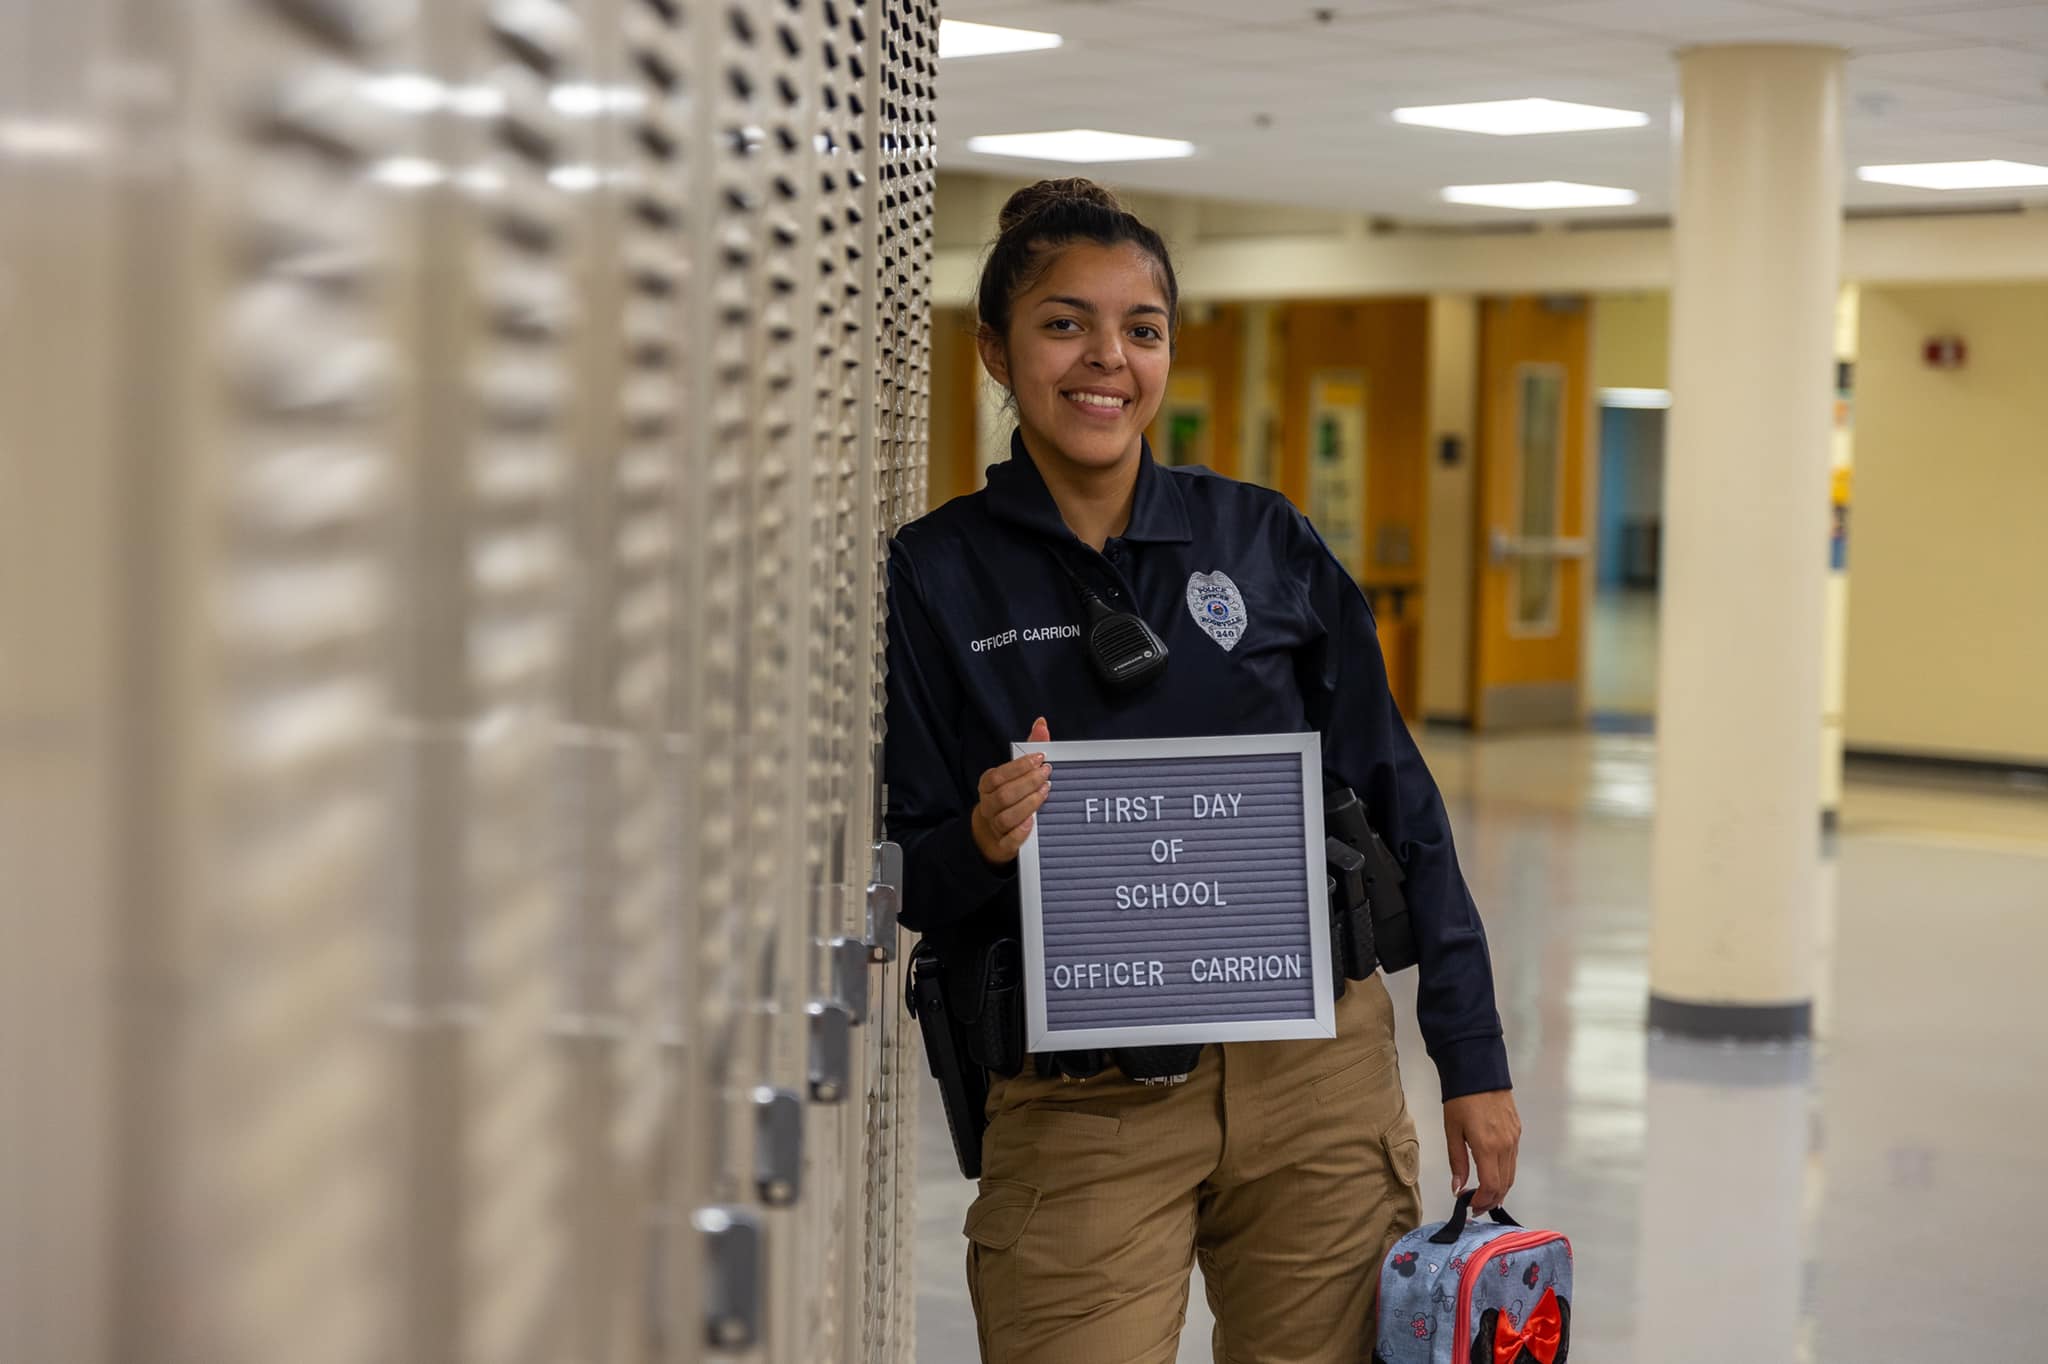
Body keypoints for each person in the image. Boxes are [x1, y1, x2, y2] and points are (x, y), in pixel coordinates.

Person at [884, 178, 1520, 1364]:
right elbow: (910, 871)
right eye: (1064, 323)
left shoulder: (1261, 541)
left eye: (1141, 328)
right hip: (1081, 1101)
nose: (1105, 360)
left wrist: (1470, 1056)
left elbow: (1399, 795)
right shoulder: (934, 576)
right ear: (994, 350)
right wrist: (978, 838)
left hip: (1314, 1078)